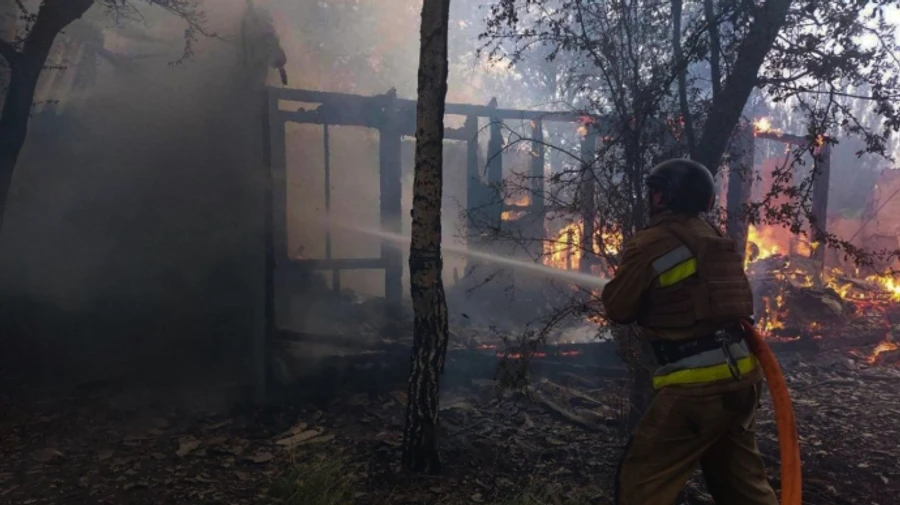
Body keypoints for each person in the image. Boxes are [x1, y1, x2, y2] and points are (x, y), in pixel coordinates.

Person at [601, 159, 779, 505]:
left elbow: (618, 308)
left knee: (641, 483)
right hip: (742, 381)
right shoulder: (714, 239)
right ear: (706, 201)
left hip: (695, 390)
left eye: (654, 190)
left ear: (663, 197)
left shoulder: (651, 242)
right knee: (744, 489)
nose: (650, 196)